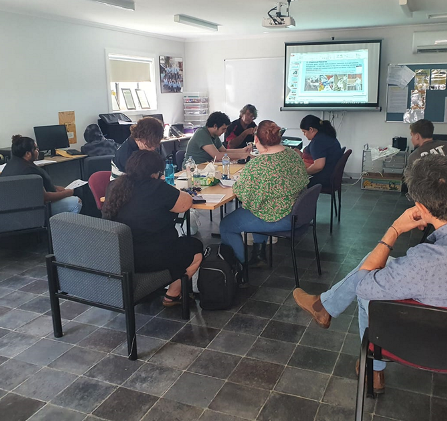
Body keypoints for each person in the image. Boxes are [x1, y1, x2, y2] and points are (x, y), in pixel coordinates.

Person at [292, 154, 447, 393]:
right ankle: (324, 306)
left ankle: (373, 369)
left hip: (421, 346)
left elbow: (363, 283)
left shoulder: (423, 263)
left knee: (368, 287)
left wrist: (395, 229)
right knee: (376, 263)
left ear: (420, 208)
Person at [102, 150, 203, 306]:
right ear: (155, 171)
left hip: (120, 256)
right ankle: (172, 295)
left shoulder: (114, 186)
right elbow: (186, 203)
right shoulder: (158, 188)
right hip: (151, 258)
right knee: (195, 247)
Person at [220, 120, 309, 267]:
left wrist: (237, 184)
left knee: (226, 225)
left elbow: (244, 196)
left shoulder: (257, 165)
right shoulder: (293, 155)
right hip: (297, 212)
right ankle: (258, 254)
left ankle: (239, 268)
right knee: (259, 206)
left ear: (256, 139)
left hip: (279, 216)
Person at [2, 135, 82, 216]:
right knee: (76, 202)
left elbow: (40, 186)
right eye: (35, 149)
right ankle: (62, 224)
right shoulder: (29, 171)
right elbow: (45, 197)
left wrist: (56, 188)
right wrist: (67, 193)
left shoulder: (11, 164)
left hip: (16, 209)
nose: (38, 151)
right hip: (35, 210)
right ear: (28, 154)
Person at [185, 111, 252, 164]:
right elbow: (217, 156)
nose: (225, 131)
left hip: (205, 167)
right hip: (192, 169)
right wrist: (242, 155)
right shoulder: (201, 134)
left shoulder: (214, 135)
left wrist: (243, 150)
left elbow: (224, 151)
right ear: (215, 126)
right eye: (223, 129)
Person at [297, 115, 342, 188]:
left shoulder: (317, 142)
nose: (304, 134)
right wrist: (301, 155)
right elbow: (317, 155)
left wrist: (304, 173)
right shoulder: (326, 135)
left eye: (304, 132)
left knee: (292, 178)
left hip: (322, 179)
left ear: (311, 129)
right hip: (329, 175)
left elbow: (318, 166)